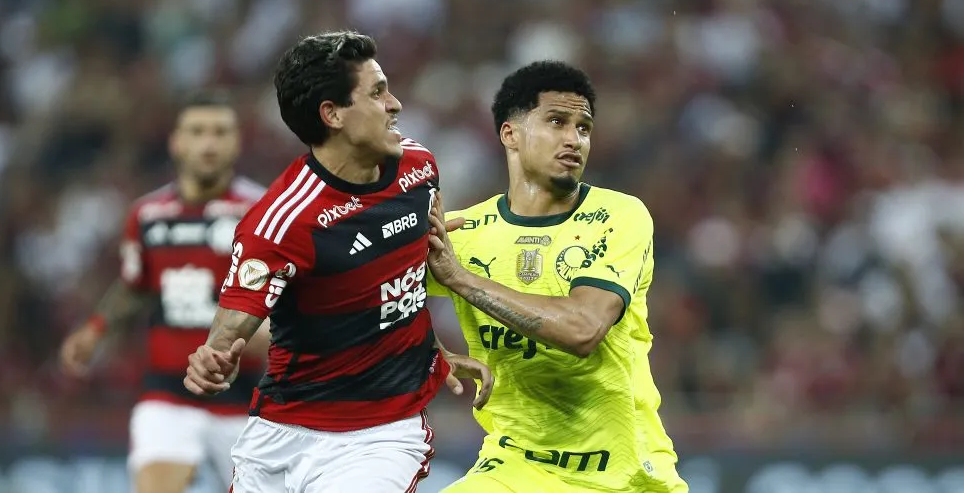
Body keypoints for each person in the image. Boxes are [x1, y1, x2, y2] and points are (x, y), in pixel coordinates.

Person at [182, 31, 493, 493]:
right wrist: (210, 362)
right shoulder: (281, 224)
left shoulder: (420, 168)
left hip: (381, 436)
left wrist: (430, 350)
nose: (396, 104)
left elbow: (405, 272)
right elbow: (226, 338)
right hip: (280, 437)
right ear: (332, 115)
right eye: (377, 92)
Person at [425, 61, 688, 492]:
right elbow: (372, 291)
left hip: (626, 477)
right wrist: (428, 351)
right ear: (510, 133)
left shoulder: (618, 217)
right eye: (556, 122)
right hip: (517, 465)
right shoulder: (463, 234)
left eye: (584, 128)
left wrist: (460, 279)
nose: (574, 139)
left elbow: (583, 329)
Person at [59, 91, 270, 493]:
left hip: (248, 399)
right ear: (177, 141)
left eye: (220, 132)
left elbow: (287, 297)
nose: (208, 143)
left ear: (236, 142)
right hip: (168, 393)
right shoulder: (147, 215)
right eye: (197, 131)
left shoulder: (263, 213)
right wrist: (96, 328)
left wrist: (270, 333)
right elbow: (136, 285)